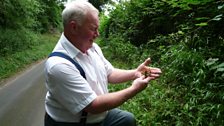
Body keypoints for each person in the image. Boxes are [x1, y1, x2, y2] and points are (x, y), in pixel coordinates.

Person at [44, 1, 162, 126]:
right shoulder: (59, 66)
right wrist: (134, 89)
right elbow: (93, 105)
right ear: (74, 27)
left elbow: (109, 73)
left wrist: (135, 73)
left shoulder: (92, 48)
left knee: (127, 119)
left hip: (98, 116)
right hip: (72, 122)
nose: (98, 34)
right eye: (93, 29)